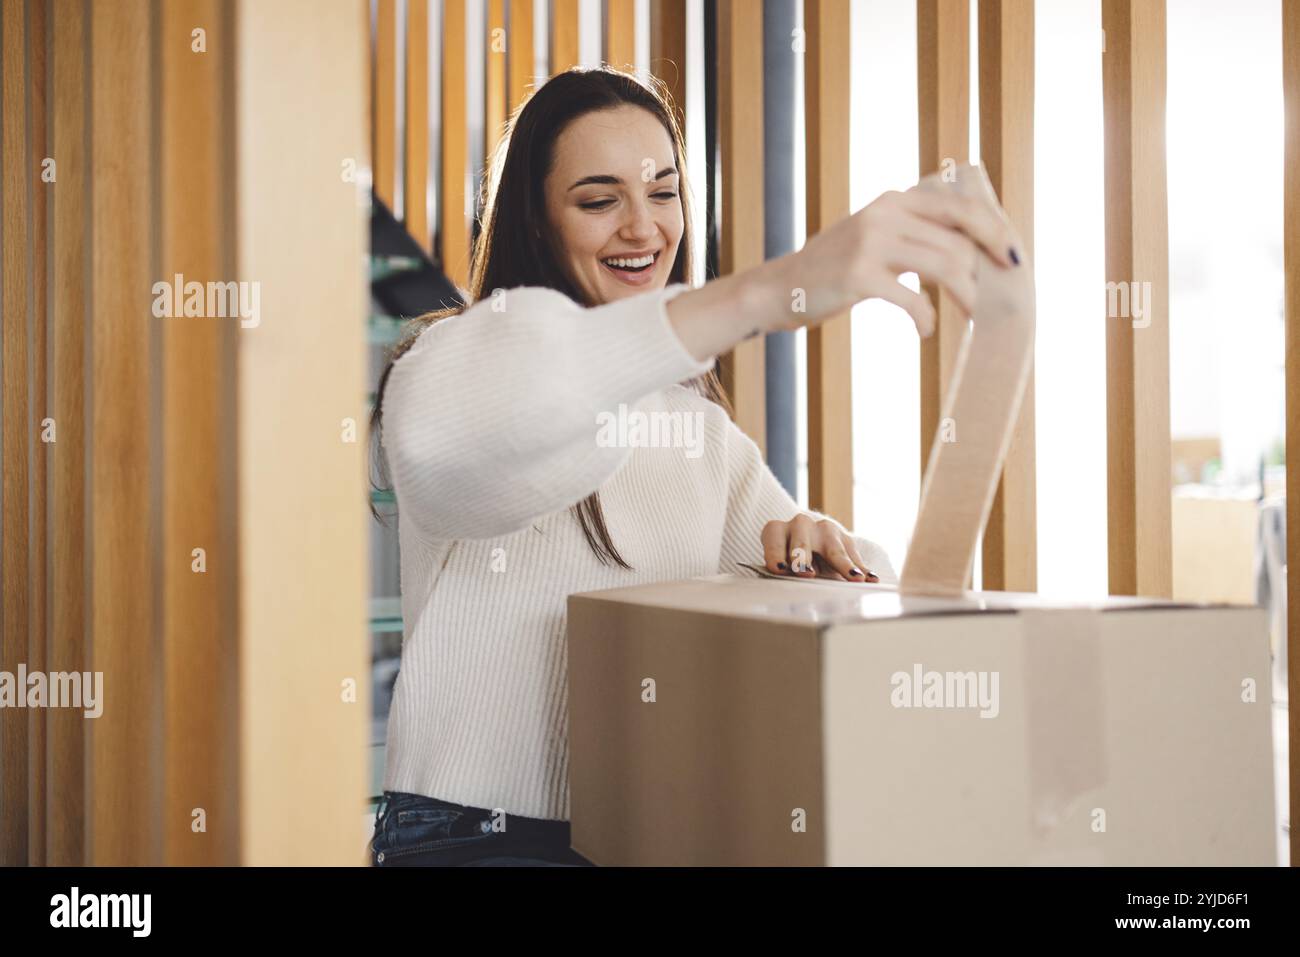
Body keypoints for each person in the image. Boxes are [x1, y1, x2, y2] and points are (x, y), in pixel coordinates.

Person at [367, 66, 1021, 866]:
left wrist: (820, 555)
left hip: (656, 824)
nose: (643, 230)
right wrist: (769, 291)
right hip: (474, 833)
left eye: (664, 192)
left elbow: (838, 630)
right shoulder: (452, 363)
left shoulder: (698, 430)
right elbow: (479, 426)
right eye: (599, 199)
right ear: (537, 223)